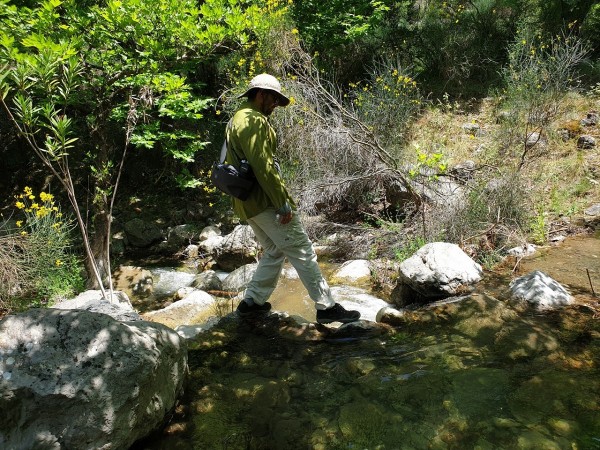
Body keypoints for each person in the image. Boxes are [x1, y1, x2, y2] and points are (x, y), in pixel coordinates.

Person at [225, 73, 360, 324]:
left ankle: (252, 303)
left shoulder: (237, 118)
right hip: (265, 200)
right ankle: (326, 307)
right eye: (274, 98)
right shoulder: (254, 120)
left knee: (274, 250)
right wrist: (281, 202)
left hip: (246, 202)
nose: (276, 104)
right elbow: (263, 166)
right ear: (261, 94)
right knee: (302, 250)